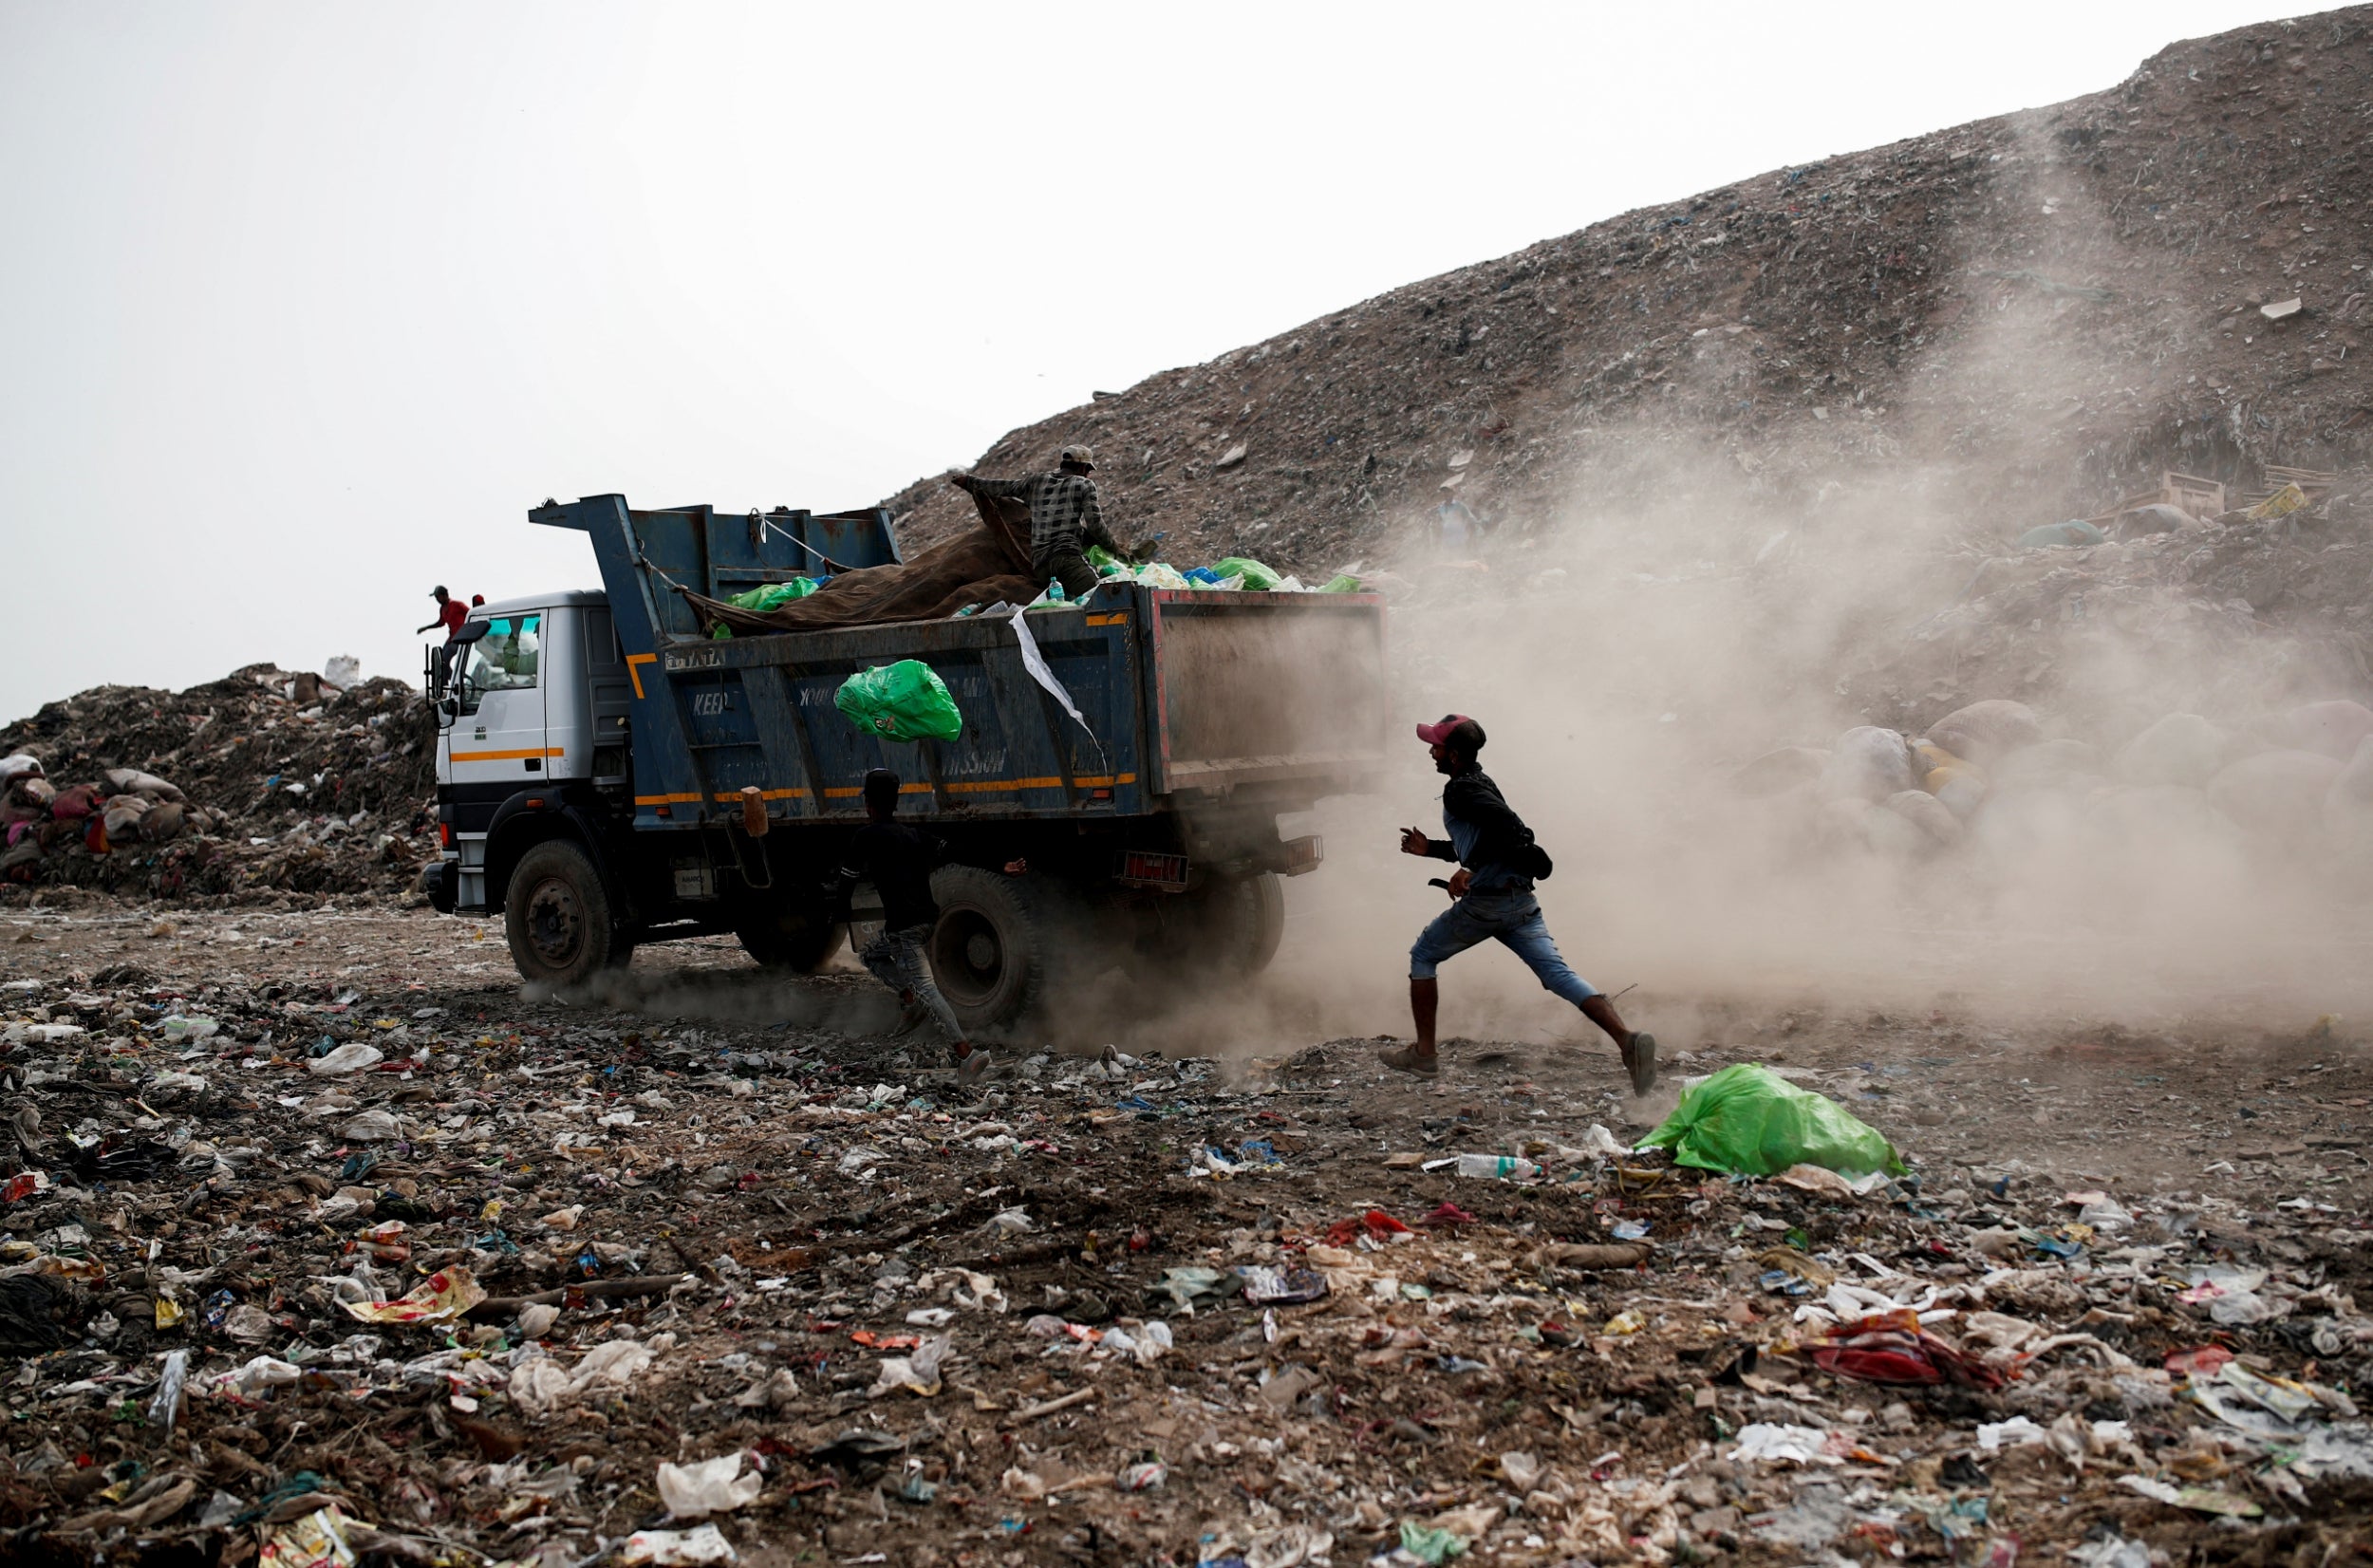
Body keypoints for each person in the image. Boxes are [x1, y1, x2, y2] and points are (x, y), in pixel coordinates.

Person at [1384, 714, 1655, 1092]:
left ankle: (1424, 1055)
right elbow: (1490, 841)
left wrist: (1472, 871)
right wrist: (1431, 850)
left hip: (1488, 903)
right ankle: (1628, 1041)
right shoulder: (1479, 782)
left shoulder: (1460, 790)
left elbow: (1510, 831)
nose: (1431, 751)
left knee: (1423, 955)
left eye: (1437, 746)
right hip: (1519, 902)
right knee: (1558, 975)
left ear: (1456, 755)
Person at [831, 769, 988, 1083]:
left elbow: (847, 880)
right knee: (872, 954)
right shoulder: (915, 835)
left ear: (869, 805)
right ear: (895, 803)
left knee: (927, 990)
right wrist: (1001, 865)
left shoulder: (865, 837)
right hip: (927, 921)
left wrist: (838, 913)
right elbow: (956, 853)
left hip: (905, 929)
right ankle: (907, 997)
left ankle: (967, 1055)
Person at [950, 444, 1131, 602]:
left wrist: (969, 482)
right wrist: (1114, 548)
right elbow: (1095, 524)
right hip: (1067, 558)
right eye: (1088, 470)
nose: (1088, 474)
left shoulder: (1036, 481)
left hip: (1041, 567)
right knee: (1103, 597)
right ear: (1083, 468)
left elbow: (1001, 487)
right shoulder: (1083, 485)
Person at [417, 586, 470, 690]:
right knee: (439, 661)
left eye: (438, 597)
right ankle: (445, 684)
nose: (437, 600)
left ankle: (454, 680)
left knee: (444, 660)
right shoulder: (443, 609)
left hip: (461, 638)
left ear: (445, 595)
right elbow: (441, 622)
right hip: (452, 638)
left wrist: (470, 630)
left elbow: (471, 614)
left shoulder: (457, 605)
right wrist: (426, 627)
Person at [1434, 484, 1482, 555]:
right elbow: (1440, 524)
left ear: (1453, 493)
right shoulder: (1441, 508)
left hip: (1460, 541)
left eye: (1448, 491)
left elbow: (1471, 520)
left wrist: (1470, 538)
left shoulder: (1460, 506)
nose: (1445, 494)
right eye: (1444, 492)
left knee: (1461, 562)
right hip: (1447, 543)